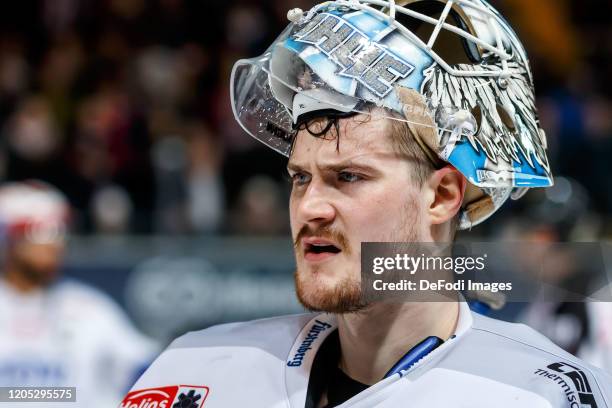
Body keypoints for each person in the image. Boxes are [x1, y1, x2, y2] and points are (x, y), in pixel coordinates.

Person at [122, 1, 612, 406]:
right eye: (299, 178)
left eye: (348, 177)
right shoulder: (194, 371)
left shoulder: (540, 394)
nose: (310, 207)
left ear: (441, 195)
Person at [0, 181, 158, 408]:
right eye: (40, 231)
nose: (55, 244)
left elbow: (144, 369)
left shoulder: (87, 306)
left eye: (60, 231)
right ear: (8, 238)